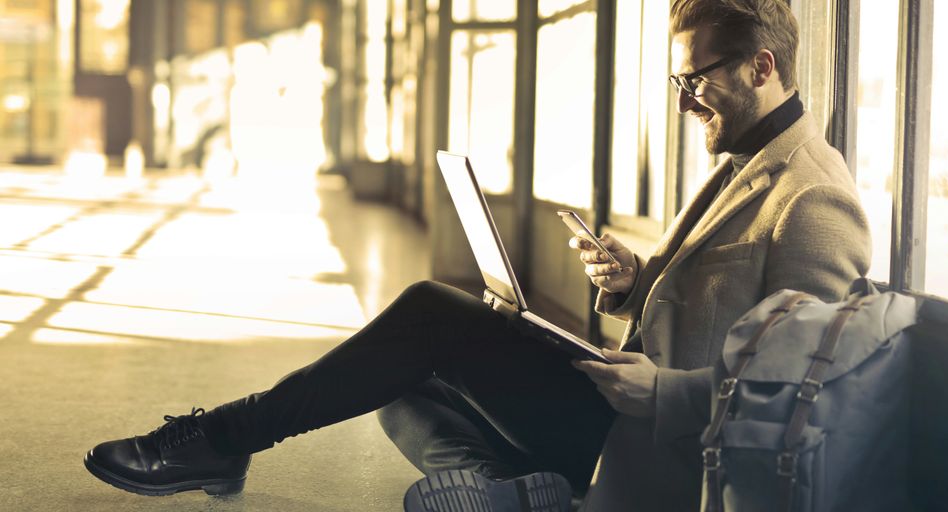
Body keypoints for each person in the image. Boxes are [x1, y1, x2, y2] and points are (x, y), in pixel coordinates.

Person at [84, 0, 870, 510]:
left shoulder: (813, 198)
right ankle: (517, 493)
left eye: (695, 79)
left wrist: (663, 391)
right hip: (618, 404)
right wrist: (631, 282)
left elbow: (804, 392)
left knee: (427, 315)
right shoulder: (742, 163)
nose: (680, 101)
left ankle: (221, 440)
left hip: (658, 438)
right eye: (676, 79)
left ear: (761, 68)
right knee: (392, 380)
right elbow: (698, 302)